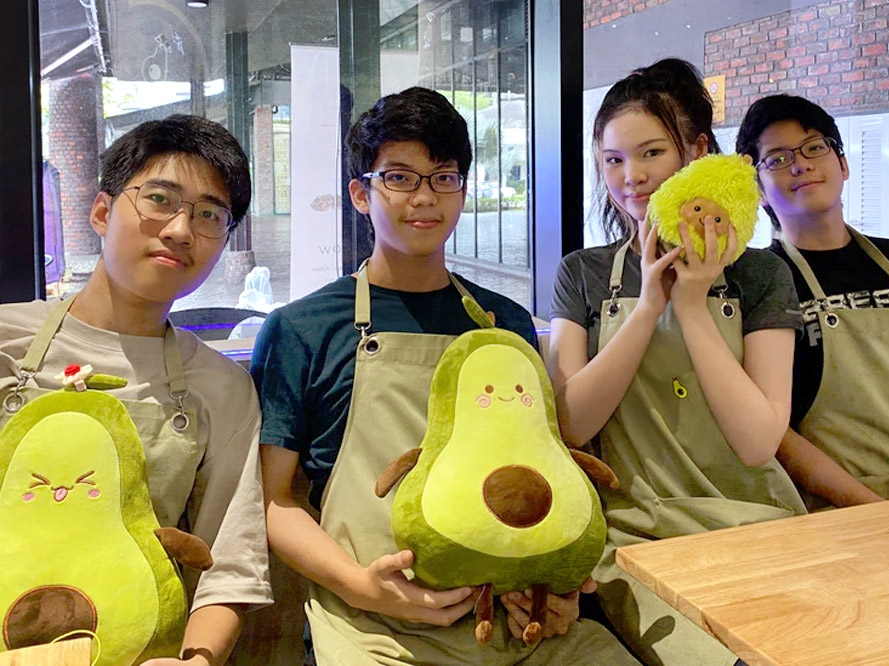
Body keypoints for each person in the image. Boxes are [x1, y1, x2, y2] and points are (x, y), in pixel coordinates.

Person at [250, 87, 639, 666]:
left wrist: (546, 592)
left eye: (444, 177)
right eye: (400, 178)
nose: (424, 198)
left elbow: (534, 468)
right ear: (361, 193)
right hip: (373, 629)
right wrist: (361, 585)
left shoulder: (502, 322)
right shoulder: (302, 327)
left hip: (509, 624)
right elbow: (273, 500)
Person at [548, 58, 806, 666]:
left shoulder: (762, 273)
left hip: (758, 523)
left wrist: (692, 304)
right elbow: (570, 426)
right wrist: (646, 309)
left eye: (651, 153)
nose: (631, 177)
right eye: (613, 160)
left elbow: (757, 441)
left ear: (696, 154)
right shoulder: (583, 274)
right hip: (639, 538)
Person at [0, 115, 272, 664]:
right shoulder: (7, 338)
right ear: (102, 211)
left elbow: (230, 566)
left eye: (209, 215)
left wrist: (197, 660)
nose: (179, 229)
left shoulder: (222, 387)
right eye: (159, 199)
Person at [735, 94, 889, 509]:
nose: (801, 164)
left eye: (815, 147)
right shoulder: (760, 278)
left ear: (844, 164)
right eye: (777, 159)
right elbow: (773, 432)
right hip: (835, 508)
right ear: (758, 190)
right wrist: (870, 509)